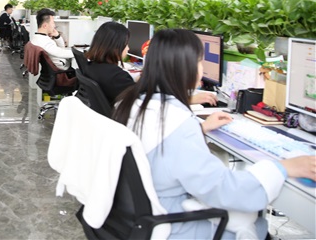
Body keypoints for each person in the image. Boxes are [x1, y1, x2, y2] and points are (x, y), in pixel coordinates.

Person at [112, 29, 316, 239]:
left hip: (137, 220)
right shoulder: (177, 124)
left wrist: (199, 129)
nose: (202, 69)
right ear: (184, 68)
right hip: (173, 226)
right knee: (253, 222)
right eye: (199, 62)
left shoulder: (131, 103)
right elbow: (225, 190)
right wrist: (283, 168)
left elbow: (162, 149)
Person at [85, 22, 218, 107]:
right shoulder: (115, 76)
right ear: (115, 47)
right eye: (126, 45)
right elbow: (147, 100)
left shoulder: (95, 67)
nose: (128, 49)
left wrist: (142, 78)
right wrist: (189, 99)